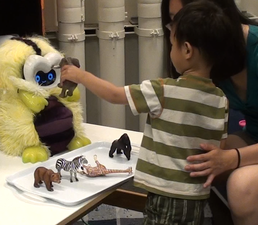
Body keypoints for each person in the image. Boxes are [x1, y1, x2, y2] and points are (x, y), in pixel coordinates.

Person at [61, 1, 245, 224]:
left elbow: (115, 95)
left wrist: (80, 76)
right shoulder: (221, 100)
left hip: (166, 196)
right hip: (196, 198)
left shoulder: (163, 90)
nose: (170, 50)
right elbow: (219, 150)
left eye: (172, 44)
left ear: (186, 50)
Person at [162, 0, 258, 225]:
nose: (176, 31)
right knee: (192, 159)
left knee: (243, 187)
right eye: (173, 20)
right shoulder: (212, 59)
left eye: (182, 18)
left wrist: (231, 159)